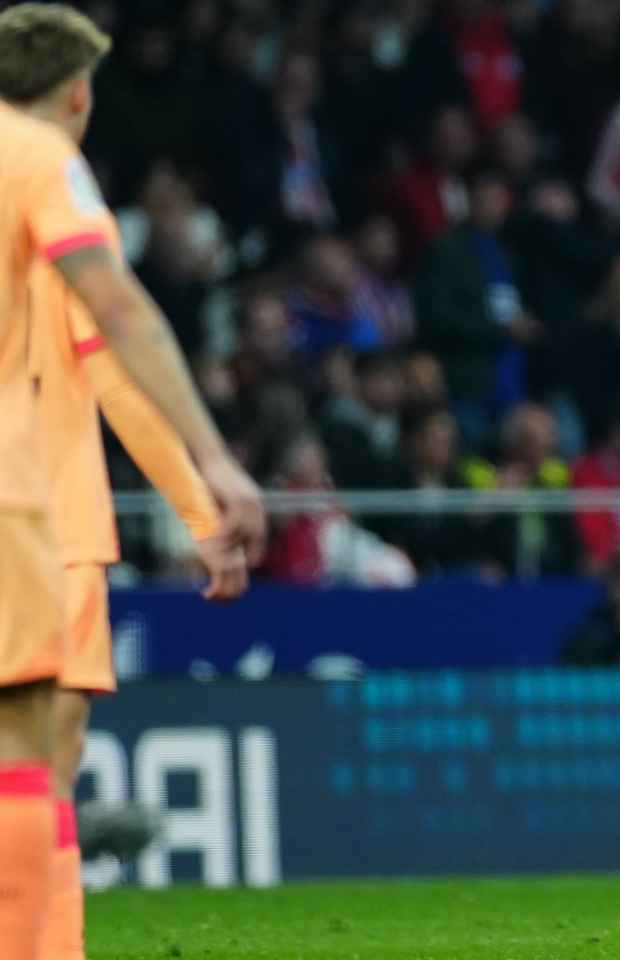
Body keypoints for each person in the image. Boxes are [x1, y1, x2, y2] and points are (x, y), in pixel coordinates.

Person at [0, 5, 264, 957]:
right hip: (37, 511)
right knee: (35, 756)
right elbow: (114, 353)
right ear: (77, 91)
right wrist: (207, 492)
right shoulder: (37, 171)